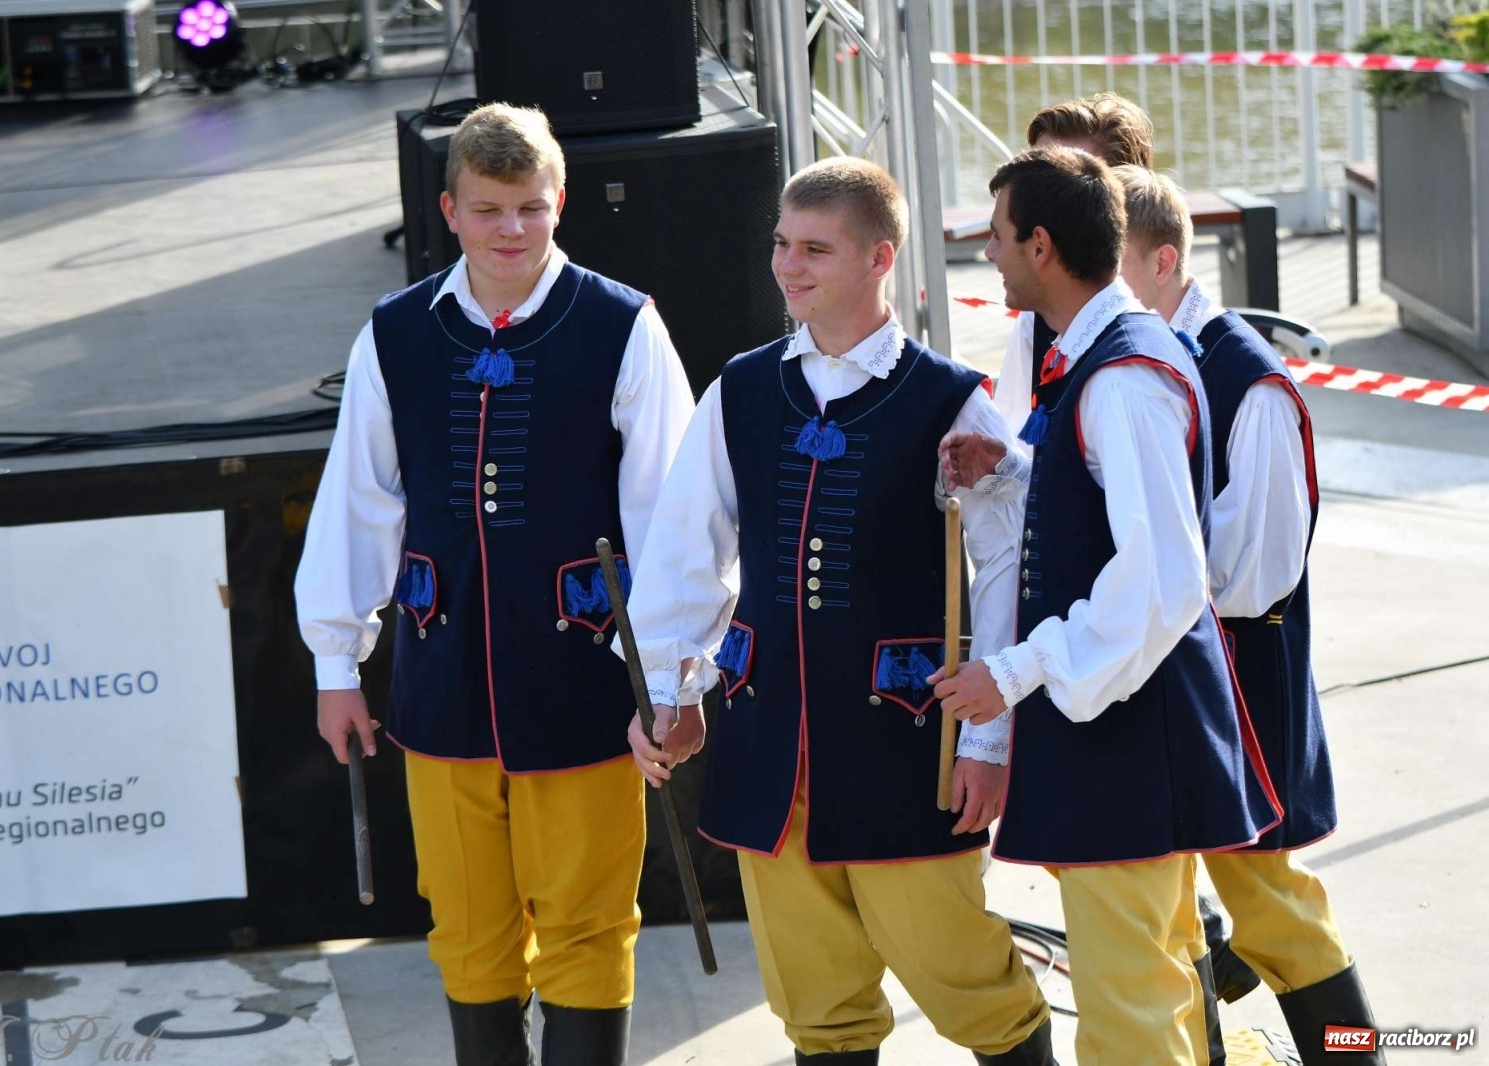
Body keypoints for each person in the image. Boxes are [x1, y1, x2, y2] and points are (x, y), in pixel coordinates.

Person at [623, 157, 1057, 1065]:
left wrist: (988, 739)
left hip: (904, 744)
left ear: (879, 258)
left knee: (969, 983)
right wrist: (670, 690)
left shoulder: (948, 396)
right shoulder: (742, 387)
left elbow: (1007, 567)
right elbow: (685, 551)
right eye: (783, 244)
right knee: (817, 1006)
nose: (789, 266)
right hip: (768, 741)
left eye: (816, 249)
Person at [294, 102, 694, 1066]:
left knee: (590, 926)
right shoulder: (394, 332)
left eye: (529, 207)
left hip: (583, 685)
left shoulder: (622, 325)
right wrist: (337, 665)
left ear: (560, 201)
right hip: (441, 688)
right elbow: (359, 502)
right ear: (450, 211)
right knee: (467, 927)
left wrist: (675, 677)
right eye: (487, 209)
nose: (511, 229)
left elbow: (673, 519)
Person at [934, 146, 1282, 1065]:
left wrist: (1014, 671)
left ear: (1042, 247)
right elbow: (1106, 510)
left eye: (998, 237)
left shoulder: (1122, 376)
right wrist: (1016, 470)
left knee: (1129, 1005)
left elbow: (1163, 575)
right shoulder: (1102, 358)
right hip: (1128, 728)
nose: (988, 254)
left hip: (1130, 737)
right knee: (1153, 981)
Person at [1113, 164, 1384, 1064]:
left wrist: (1138, 584)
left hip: (1240, 691)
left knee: (1275, 910)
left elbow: (1259, 572)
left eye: (1105, 260)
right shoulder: (1129, 357)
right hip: (1174, 680)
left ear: (1161, 263)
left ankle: (1355, 1057)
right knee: (1171, 907)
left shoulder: (1248, 380)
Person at [989, 93, 1157, 441]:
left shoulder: (1173, 343)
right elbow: (1012, 443)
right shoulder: (1035, 320)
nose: (1037, 201)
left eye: (1064, 179)